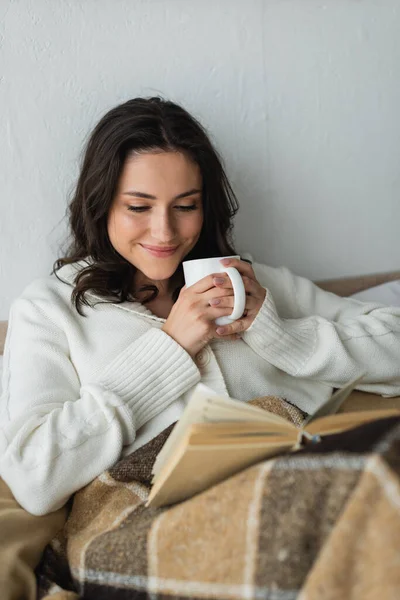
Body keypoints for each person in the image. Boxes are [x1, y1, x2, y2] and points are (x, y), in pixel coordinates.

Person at [1, 96, 400, 523]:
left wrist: (282, 337)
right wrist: (169, 349)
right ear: (100, 205)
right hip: (155, 524)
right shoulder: (50, 310)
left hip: (302, 495)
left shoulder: (249, 282)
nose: (164, 231)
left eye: (185, 206)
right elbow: (33, 478)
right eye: (138, 207)